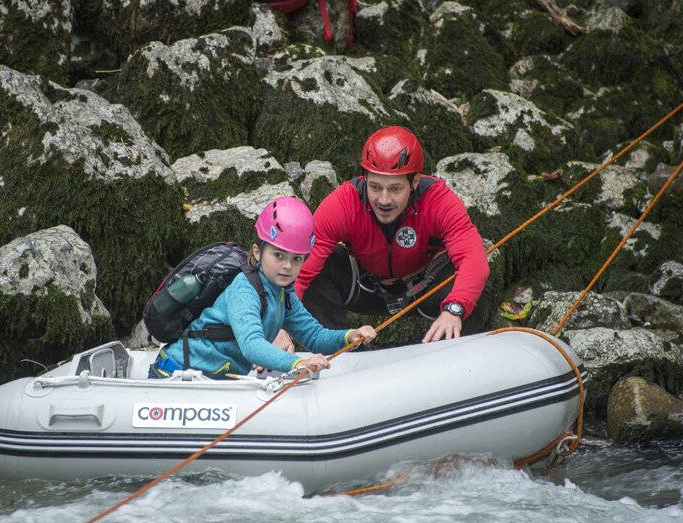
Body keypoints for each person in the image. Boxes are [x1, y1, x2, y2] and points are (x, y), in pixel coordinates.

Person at [294, 125, 491, 343]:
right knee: (314, 272)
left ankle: (451, 352)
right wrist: (282, 324)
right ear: (364, 178)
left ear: (414, 182)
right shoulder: (343, 203)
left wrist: (455, 309)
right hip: (366, 286)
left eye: (395, 189)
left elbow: (472, 258)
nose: (384, 200)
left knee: (472, 292)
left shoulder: (438, 201)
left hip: (425, 288)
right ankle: (340, 349)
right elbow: (302, 271)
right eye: (375, 187)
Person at [148, 196, 377, 379]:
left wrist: (349, 336)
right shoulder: (244, 289)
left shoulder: (283, 294)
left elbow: (314, 336)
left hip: (212, 381)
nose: (287, 266)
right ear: (257, 252)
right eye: (278, 255)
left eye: (297, 259)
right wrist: (297, 362)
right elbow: (252, 345)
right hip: (175, 374)